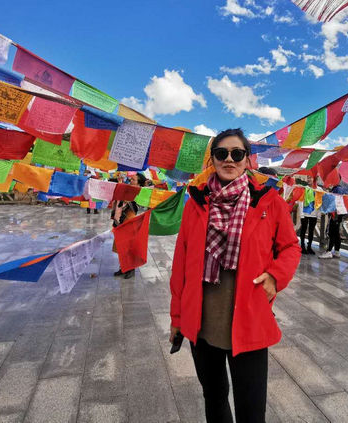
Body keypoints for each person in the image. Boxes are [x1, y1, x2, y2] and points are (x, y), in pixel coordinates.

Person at [169, 128, 300, 423]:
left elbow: (291, 247)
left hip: (250, 320)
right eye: (221, 153)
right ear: (213, 160)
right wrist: (177, 318)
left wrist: (275, 276)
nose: (229, 159)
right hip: (202, 324)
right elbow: (180, 265)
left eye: (237, 153)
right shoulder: (196, 204)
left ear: (247, 160)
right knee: (214, 398)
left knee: (251, 410)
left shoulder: (268, 201)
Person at [112, 174, 145, 279]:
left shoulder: (140, 192)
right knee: (121, 245)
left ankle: (131, 269)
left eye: (133, 179)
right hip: (122, 220)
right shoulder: (128, 189)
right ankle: (123, 268)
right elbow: (119, 195)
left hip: (130, 220)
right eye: (131, 179)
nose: (130, 180)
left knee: (129, 246)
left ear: (139, 183)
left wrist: (121, 188)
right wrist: (120, 184)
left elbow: (132, 203)